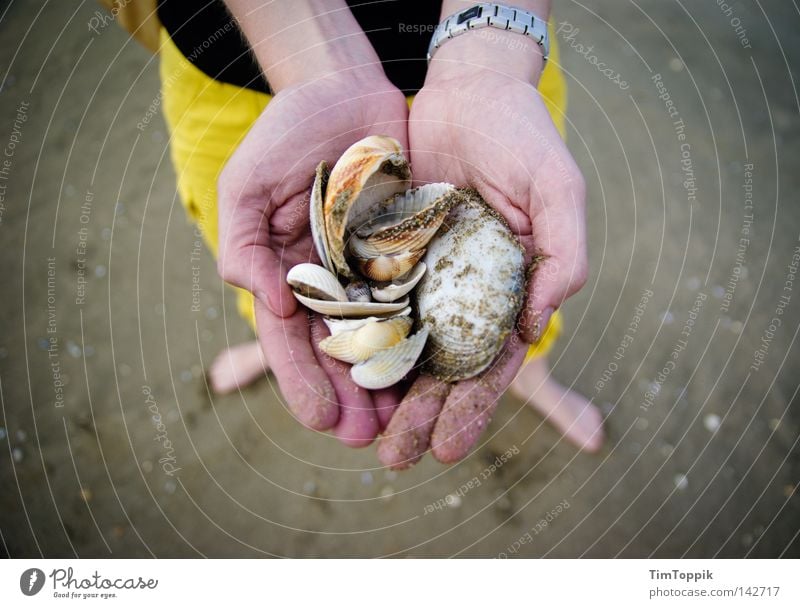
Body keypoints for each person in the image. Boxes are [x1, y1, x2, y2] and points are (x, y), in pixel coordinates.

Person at [155, 0, 604, 468]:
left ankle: (533, 370)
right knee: (274, 266)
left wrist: (491, 61)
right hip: (230, 74)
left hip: (489, 67)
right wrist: (310, 62)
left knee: (523, 287)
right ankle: (294, 331)